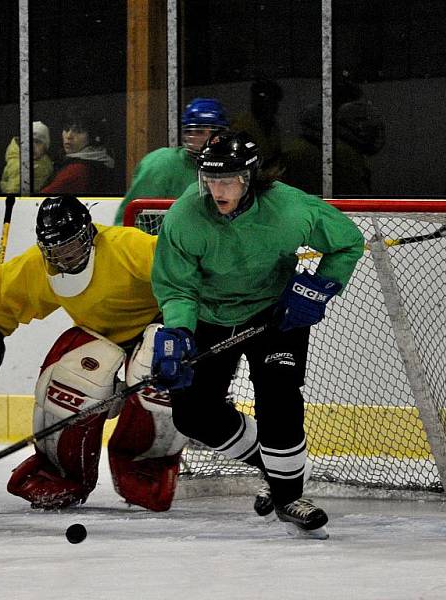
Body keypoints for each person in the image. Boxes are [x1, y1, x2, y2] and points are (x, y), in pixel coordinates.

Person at [150, 131, 364, 538]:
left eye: (227, 180)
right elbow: (177, 286)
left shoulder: (290, 209)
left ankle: (289, 498)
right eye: (210, 180)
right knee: (193, 414)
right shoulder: (184, 217)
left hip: (274, 315)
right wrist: (178, 329)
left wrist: (319, 289)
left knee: (278, 395)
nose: (217, 190)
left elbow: (347, 242)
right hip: (211, 317)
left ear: (249, 178)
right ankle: (271, 464)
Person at [0, 195, 188, 512]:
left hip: (158, 328)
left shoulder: (128, 246)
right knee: (67, 380)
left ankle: (146, 470)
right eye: (55, 251)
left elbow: (183, 278)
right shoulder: (39, 267)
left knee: (156, 368)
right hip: (102, 342)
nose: (63, 257)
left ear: (89, 235)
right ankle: (61, 475)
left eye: (70, 246)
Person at [114, 97, 229, 225]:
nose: (207, 139)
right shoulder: (161, 164)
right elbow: (128, 221)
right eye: (199, 132)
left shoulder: (234, 168)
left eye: (214, 132)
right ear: (186, 133)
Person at [41, 109, 115, 195]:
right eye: (66, 129)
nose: (68, 136)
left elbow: (40, 199)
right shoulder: (101, 159)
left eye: (78, 131)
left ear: (91, 136)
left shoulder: (77, 170)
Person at [230, 78, 284, 171]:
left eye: (275, 102)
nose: (275, 106)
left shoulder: (272, 125)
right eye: (270, 101)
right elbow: (236, 162)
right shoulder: (241, 125)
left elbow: (275, 154)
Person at [0, 121, 54, 193]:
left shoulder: (46, 161)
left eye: (37, 142)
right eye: (28, 141)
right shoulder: (18, 165)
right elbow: (14, 191)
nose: (32, 146)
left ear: (45, 147)